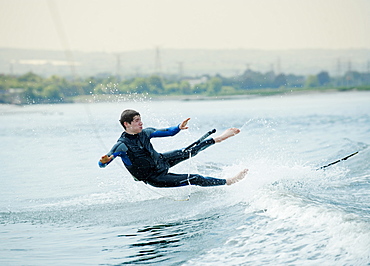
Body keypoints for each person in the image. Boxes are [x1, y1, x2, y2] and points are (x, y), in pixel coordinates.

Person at [99, 109, 248, 187]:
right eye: (137, 121)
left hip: (162, 161)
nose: (141, 123)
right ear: (127, 124)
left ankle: (220, 138)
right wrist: (104, 161)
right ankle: (229, 181)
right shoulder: (122, 145)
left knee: (188, 151)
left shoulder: (146, 133)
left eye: (140, 120)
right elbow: (103, 163)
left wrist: (178, 127)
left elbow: (169, 132)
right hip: (154, 177)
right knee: (194, 178)